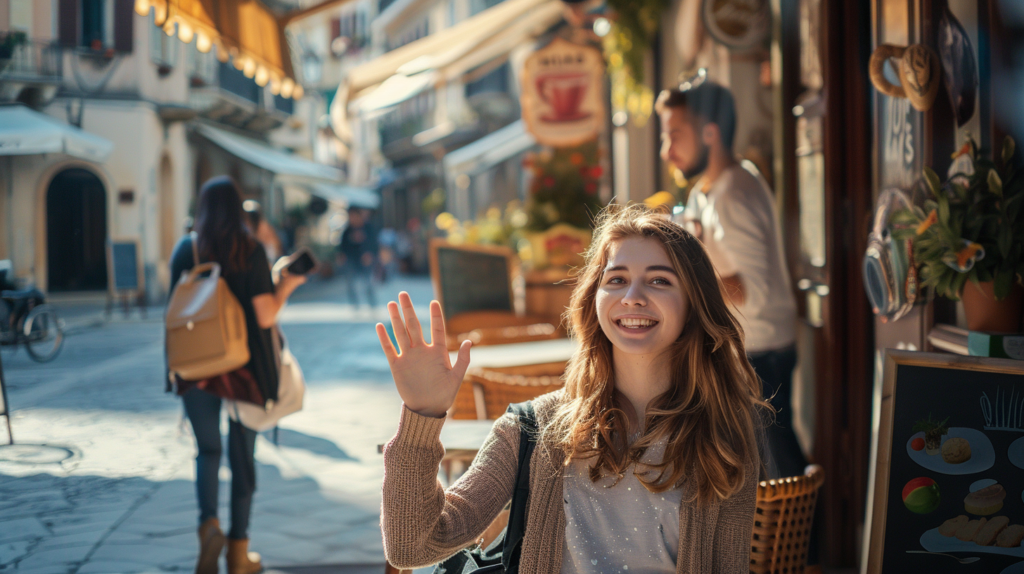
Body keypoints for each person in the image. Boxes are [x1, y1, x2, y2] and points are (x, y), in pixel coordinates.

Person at [377, 204, 768, 572]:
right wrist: (421, 415)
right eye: (616, 279)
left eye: (659, 280)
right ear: (594, 301)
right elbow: (413, 547)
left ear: (693, 304)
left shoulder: (723, 437)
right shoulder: (530, 430)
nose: (633, 297)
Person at [655, 79, 804, 480]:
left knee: (777, 474)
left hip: (760, 354)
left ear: (710, 133)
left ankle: (802, 544)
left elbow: (750, 295)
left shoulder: (733, 195)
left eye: (674, 136)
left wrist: (683, 289)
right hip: (753, 349)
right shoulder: (716, 190)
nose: (666, 151)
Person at [168, 177, 305, 574]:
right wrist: (287, 285)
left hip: (195, 367)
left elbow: (174, 308)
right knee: (242, 458)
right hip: (243, 369)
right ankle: (238, 553)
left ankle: (208, 527)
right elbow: (265, 315)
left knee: (207, 452)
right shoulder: (249, 249)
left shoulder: (185, 248)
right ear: (237, 208)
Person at [337, 208, 377, 307]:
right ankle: (355, 305)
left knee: (368, 284)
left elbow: (374, 244)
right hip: (351, 260)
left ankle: (372, 304)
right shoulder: (347, 230)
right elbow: (342, 246)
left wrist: (370, 254)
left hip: (365, 260)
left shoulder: (368, 228)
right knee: (351, 284)